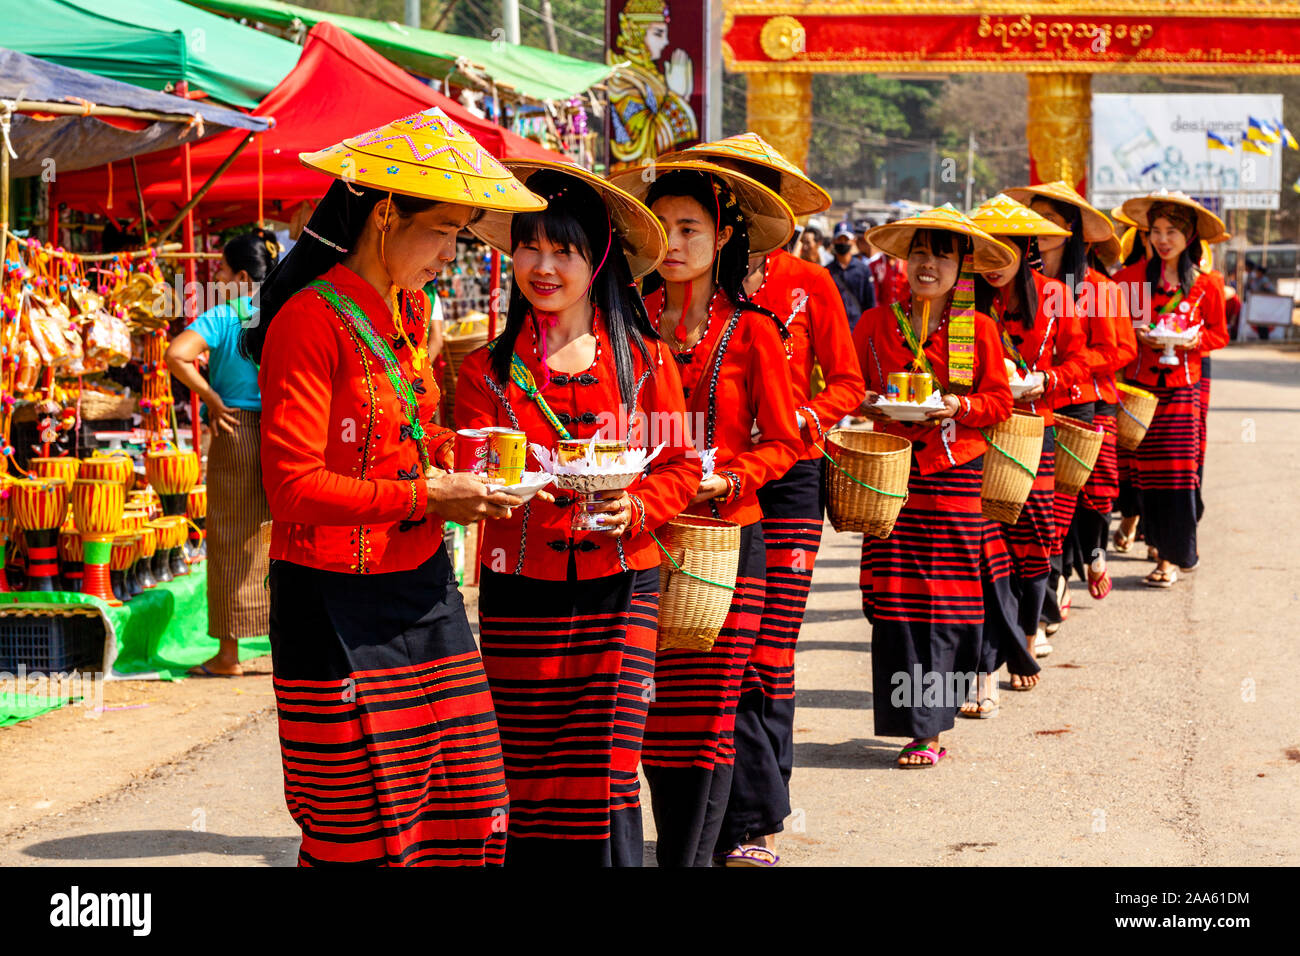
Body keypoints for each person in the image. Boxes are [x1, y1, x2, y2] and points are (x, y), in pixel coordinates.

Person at [243, 108, 539, 866]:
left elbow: (406, 436)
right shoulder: (309, 322)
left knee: (468, 799)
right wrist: (426, 498)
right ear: (384, 217)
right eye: (442, 231)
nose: (450, 253)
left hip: (420, 583)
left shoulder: (409, 314)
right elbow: (293, 489)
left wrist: (479, 451)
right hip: (330, 598)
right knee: (360, 825)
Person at [455, 163, 700, 866]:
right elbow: (474, 468)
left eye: (564, 250)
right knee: (525, 773)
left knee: (608, 765)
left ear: (597, 262)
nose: (544, 266)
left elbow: (681, 466)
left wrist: (640, 504)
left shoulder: (649, 363)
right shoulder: (483, 374)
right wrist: (492, 484)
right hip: (518, 588)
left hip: (623, 588)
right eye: (531, 247)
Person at [664, 133, 866, 865]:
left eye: (751, 190)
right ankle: (717, 817)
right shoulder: (667, 288)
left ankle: (758, 818)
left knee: (765, 653)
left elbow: (847, 381)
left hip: (787, 480)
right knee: (707, 653)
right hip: (697, 491)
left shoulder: (809, 282)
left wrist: (802, 420)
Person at [610, 159, 801, 866]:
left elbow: (785, 441)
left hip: (726, 542)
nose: (676, 242)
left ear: (723, 238)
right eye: (664, 227)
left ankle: (692, 856)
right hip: (638, 533)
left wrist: (733, 478)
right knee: (645, 718)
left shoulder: (755, 332)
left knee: (707, 717)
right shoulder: (621, 324)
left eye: (691, 228)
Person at [852, 205, 1014, 767]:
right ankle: (909, 719)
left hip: (953, 476)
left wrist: (958, 404)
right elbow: (851, 388)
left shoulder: (977, 329)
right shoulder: (876, 323)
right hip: (891, 476)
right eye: (919, 253)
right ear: (903, 260)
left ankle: (929, 729)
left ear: (960, 266)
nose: (928, 265)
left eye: (942, 255)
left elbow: (999, 402)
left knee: (944, 604)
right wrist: (869, 402)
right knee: (892, 602)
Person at [968, 194, 1086, 700]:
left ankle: (1031, 631)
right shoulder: (961, 301)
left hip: (1036, 428)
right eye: (984, 253)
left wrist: (1049, 378)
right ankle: (989, 661)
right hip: (976, 433)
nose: (992, 265)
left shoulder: (1057, 296)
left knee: (1034, 541)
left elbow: (1082, 362)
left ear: (1025, 250)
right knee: (983, 550)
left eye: (1004, 252)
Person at [165, 230, 278, 678]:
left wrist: (211, 399)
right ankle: (285, 643)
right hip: (286, 433)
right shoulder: (286, 310)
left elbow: (177, 354)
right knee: (281, 537)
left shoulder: (224, 315)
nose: (219, 277)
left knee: (231, 539)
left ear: (243, 276)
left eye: (224, 271)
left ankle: (228, 655)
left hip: (235, 432)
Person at [1005, 182, 1113, 641]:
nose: (1041, 227)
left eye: (1050, 218)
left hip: (1074, 406)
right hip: (1019, 408)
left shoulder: (1095, 288)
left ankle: (1052, 597)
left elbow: (1115, 348)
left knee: (1057, 512)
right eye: (1036, 218)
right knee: (1023, 514)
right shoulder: (1010, 280)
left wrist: (1055, 375)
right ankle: (1042, 607)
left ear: (1069, 230)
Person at [1117, 191, 1228, 586]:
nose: (1163, 239)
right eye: (1156, 231)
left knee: (1180, 475)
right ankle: (1159, 548)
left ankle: (1174, 556)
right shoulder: (1130, 280)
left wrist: (1194, 341)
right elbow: (1114, 329)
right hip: (1140, 389)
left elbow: (1219, 334)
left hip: (1184, 389)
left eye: (1172, 232)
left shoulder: (1207, 284)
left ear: (1189, 235)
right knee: (1147, 474)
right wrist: (1135, 335)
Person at [826, 221, 876, 329]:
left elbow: (870, 303)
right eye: (840, 239)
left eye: (846, 239)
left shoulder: (863, 270)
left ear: (853, 241)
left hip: (858, 327)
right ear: (834, 241)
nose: (843, 243)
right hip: (835, 328)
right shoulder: (826, 271)